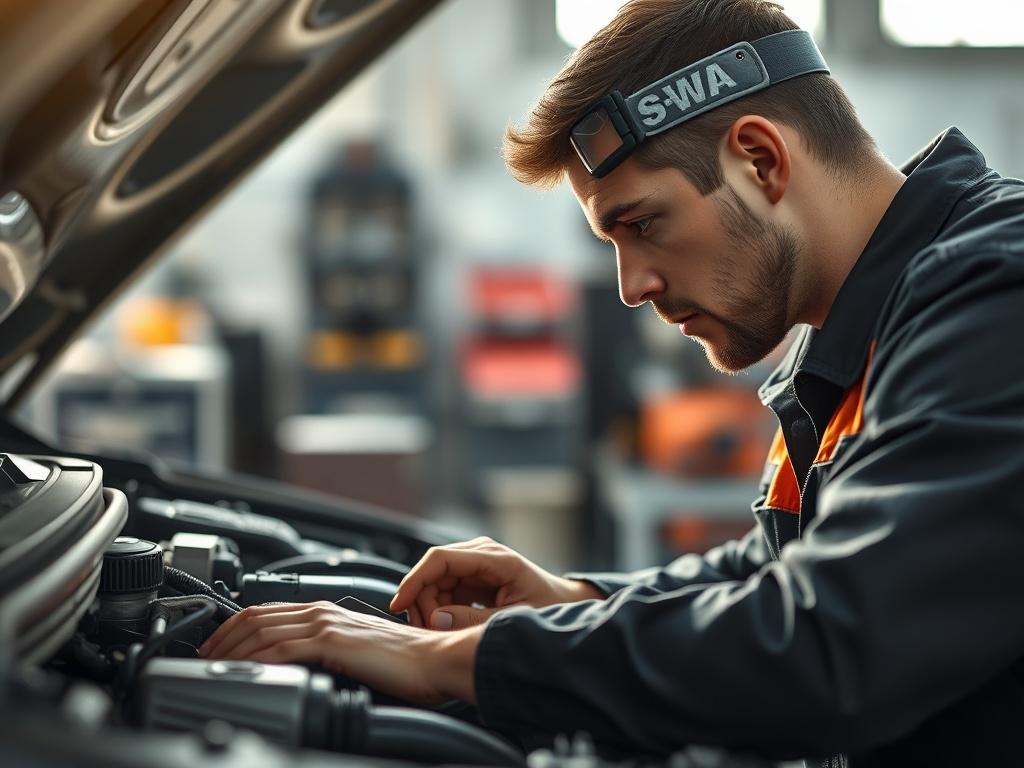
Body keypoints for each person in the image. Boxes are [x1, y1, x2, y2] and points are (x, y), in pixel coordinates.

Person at [199, 1, 1024, 764]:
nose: (631, 286)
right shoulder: (878, 318)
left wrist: (459, 659)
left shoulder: (997, 295)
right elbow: (788, 571)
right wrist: (572, 599)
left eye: (642, 223)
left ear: (761, 160)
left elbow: (836, 643)